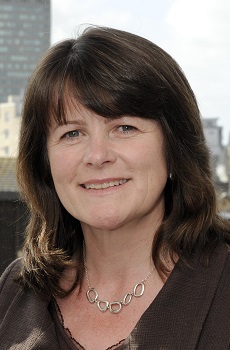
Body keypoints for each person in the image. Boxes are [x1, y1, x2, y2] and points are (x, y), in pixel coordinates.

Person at [0, 25, 230, 350]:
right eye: (72, 133)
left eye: (124, 127)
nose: (97, 156)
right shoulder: (13, 293)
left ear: (175, 148)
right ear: (45, 163)